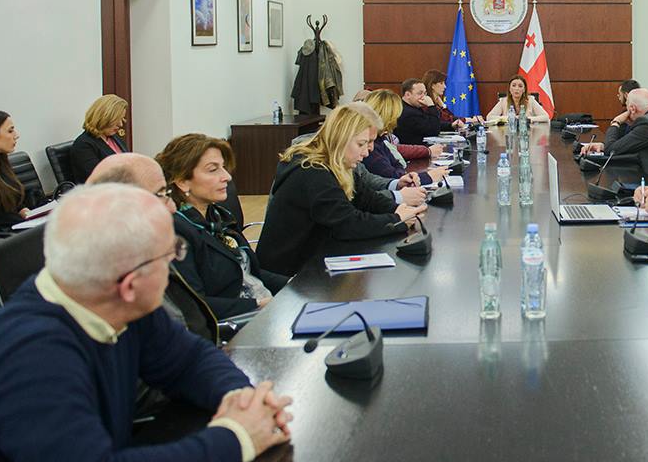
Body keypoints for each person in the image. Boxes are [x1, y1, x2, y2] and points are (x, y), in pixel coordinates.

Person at [0, 184, 293, 462]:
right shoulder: (33, 358)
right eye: (172, 254)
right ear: (130, 285)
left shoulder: (107, 297)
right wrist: (235, 437)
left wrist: (240, 398)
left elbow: (189, 359)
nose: (175, 263)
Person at [257, 103, 426, 276]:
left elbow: (367, 198)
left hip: (314, 258)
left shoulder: (336, 164)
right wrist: (397, 220)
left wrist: (399, 209)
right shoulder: (312, 171)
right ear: (341, 138)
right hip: (288, 274)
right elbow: (347, 224)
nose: (367, 152)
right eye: (362, 144)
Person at [88, 153, 226, 343]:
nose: (172, 208)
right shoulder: (111, 288)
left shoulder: (145, 252)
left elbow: (190, 344)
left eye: (168, 194)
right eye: (162, 195)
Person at [154, 134, 289, 321]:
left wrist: (293, 285)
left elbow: (249, 272)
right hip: (235, 325)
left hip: (263, 311)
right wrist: (258, 305)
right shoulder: (176, 231)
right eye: (213, 170)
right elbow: (193, 304)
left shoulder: (219, 217)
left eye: (223, 167)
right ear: (182, 181)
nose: (227, 177)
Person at [579, 88, 648, 184]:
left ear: (632, 109)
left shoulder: (646, 124)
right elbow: (622, 146)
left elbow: (611, 150)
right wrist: (603, 146)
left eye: (627, 107)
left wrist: (616, 122)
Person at [361, 90, 448, 185]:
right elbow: (393, 177)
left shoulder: (381, 139)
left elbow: (398, 164)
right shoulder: (370, 146)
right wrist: (428, 177)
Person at [0, 110, 40, 230]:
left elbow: (15, 204)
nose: (16, 135)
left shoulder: (1, 163)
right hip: (3, 236)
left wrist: (30, 215)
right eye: (10, 131)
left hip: (19, 228)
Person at [70, 94, 129, 183]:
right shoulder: (84, 145)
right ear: (103, 118)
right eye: (116, 119)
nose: (120, 124)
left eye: (122, 119)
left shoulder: (114, 137)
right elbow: (100, 178)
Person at [485, 76, 550, 123]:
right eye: (513, 85)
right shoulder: (503, 101)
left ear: (524, 90)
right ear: (509, 89)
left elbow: (546, 117)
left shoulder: (530, 100)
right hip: (508, 133)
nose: (516, 89)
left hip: (527, 133)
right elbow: (489, 117)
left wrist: (528, 119)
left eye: (520, 86)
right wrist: (508, 118)